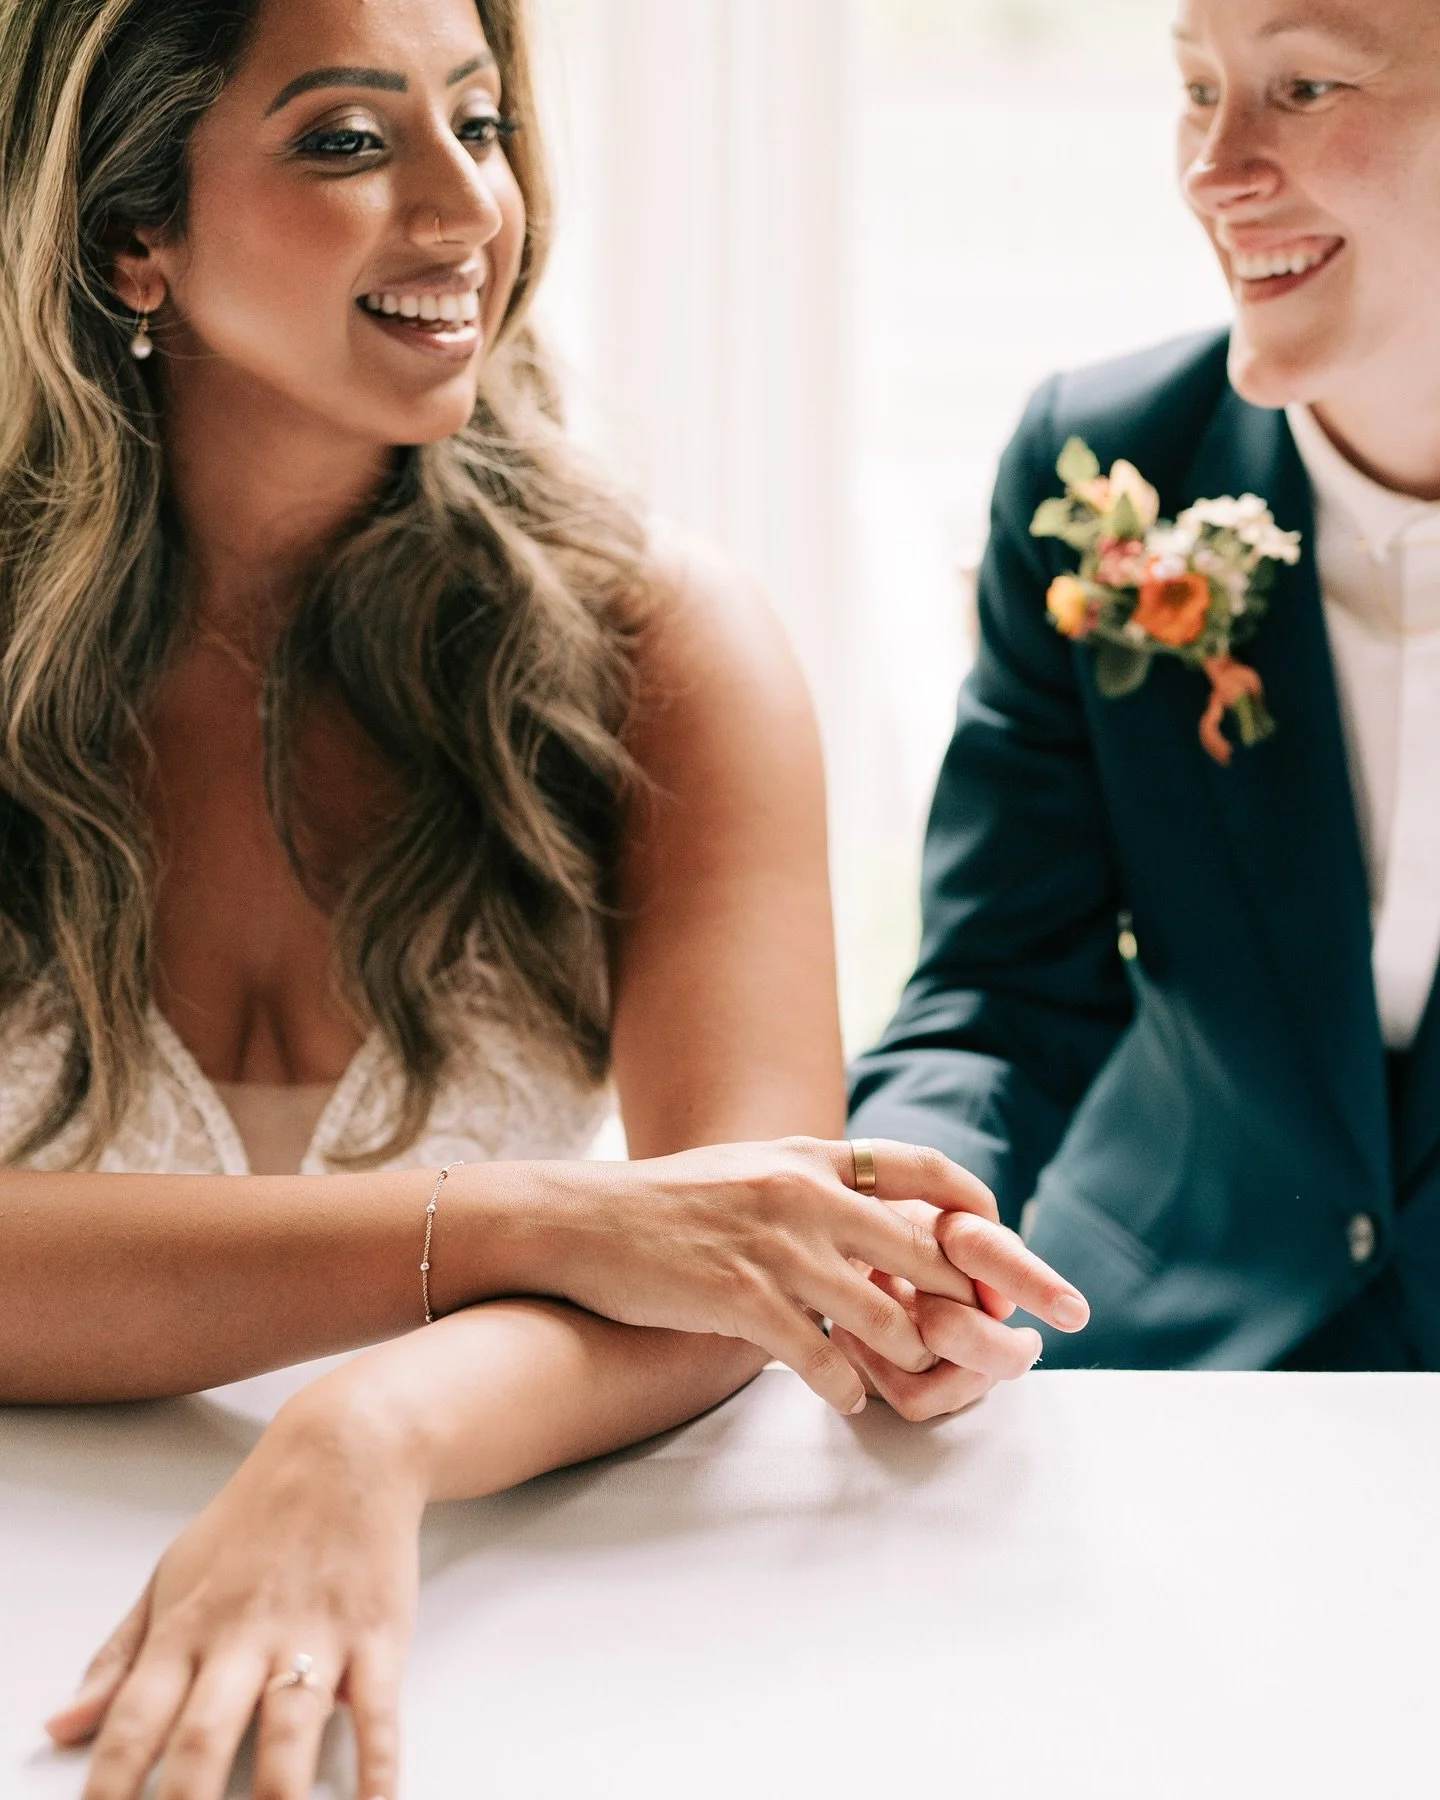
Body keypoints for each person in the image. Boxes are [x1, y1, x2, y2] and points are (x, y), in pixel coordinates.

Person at [0, 0, 1090, 1792]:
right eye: (348, 140)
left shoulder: (662, 647)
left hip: (530, 1614)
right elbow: (672, 1234)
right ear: (134, 229)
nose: (464, 210)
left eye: (482, 122)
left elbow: (754, 1248)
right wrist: (547, 1221)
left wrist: (371, 1431)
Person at [850, 0, 1440, 1374]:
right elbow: (998, 986)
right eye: (1195, 87)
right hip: (1155, 1353)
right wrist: (911, 1207)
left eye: (1300, 86)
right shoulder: (1100, 468)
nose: (1212, 168)